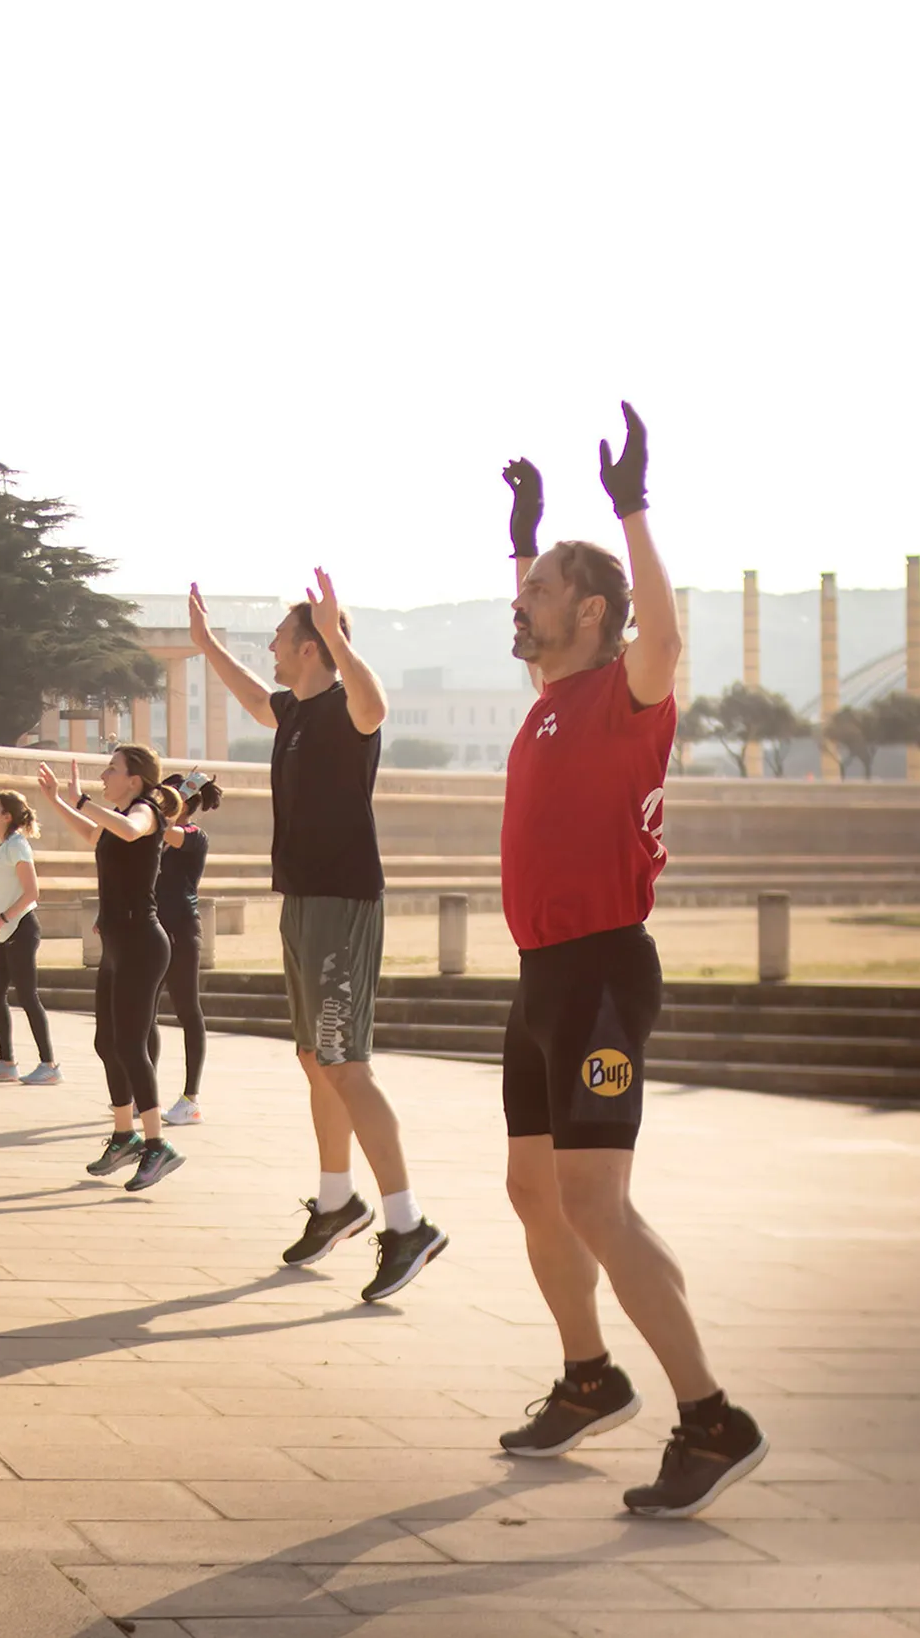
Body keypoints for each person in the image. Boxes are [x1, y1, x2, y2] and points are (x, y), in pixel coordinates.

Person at [492, 403, 766, 1519]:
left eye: (543, 590)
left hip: (602, 973)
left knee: (597, 1204)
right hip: (540, 977)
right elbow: (544, 616)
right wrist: (526, 537)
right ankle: (588, 1377)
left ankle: (711, 1418)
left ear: (591, 611)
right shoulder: (554, 701)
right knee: (534, 1191)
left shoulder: (626, 694)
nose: (524, 603)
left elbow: (661, 632)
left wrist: (629, 508)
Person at [192, 572, 444, 1301]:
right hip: (302, 900)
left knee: (345, 1062)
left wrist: (337, 632)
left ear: (309, 647)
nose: (268, 645)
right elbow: (250, 695)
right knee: (314, 1056)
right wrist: (205, 644)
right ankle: (338, 1201)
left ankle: (408, 1224)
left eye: (278, 637)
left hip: (341, 900)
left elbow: (376, 704)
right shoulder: (296, 712)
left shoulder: (344, 708)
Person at [36, 746, 185, 1192]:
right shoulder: (117, 818)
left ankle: (159, 1145)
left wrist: (82, 800)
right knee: (107, 1042)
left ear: (135, 780)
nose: (105, 775)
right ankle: (125, 1135)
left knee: (131, 1045)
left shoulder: (145, 812)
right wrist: (59, 802)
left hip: (143, 942)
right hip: (118, 945)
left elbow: (127, 827)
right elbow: (93, 833)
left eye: (113, 769)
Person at [0, 789, 60, 1086]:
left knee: (27, 996)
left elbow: (32, 893)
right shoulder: (4, 847)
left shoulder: (18, 846)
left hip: (20, 929)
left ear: (7, 816)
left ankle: (49, 1065)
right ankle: (7, 1063)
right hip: (5, 932)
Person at [157, 772, 224, 1125]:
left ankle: (191, 1098)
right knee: (143, 1011)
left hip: (182, 930)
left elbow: (165, 829)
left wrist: (167, 805)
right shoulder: (159, 838)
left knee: (187, 1010)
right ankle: (144, 1094)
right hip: (153, 931)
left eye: (162, 795)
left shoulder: (193, 837)